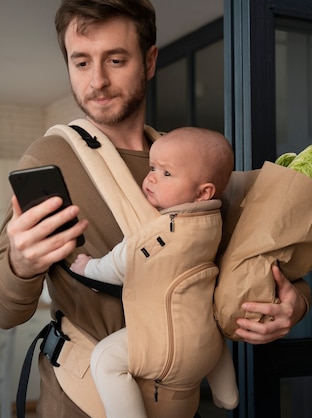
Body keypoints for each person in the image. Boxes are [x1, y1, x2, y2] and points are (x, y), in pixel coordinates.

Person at [0, 0, 311, 417]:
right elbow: (0, 310)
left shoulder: (190, 162)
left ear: (150, 60)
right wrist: (20, 263)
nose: (97, 81)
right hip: (83, 403)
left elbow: (259, 261)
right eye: (81, 63)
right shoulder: (52, 158)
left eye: (115, 60)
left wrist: (296, 303)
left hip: (184, 400)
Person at [70, 126, 238, 418]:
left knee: (105, 360)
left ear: (203, 192)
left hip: (167, 346)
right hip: (208, 344)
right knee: (210, 332)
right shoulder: (215, 222)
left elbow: (121, 263)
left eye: (167, 174)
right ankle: (228, 395)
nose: (151, 178)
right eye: (152, 167)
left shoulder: (164, 231)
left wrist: (88, 267)